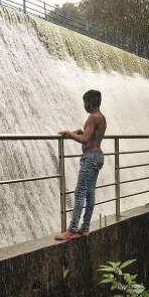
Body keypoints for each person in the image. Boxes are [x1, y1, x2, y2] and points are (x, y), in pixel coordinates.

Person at [55, 89, 107, 240]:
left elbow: (85, 139)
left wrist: (69, 134)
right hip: (98, 157)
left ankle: (72, 229)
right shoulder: (102, 118)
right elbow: (91, 136)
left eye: (85, 103)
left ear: (89, 103)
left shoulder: (92, 117)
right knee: (90, 193)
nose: (84, 105)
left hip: (89, 157)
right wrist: (80, 132)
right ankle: (85, 228)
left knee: (80, 192)